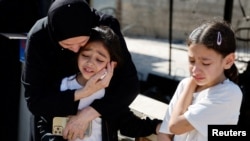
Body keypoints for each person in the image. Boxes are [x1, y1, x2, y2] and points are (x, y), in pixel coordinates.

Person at [21, 0, 141, 141]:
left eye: (83, 43)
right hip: (50, 126)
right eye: (67, 44)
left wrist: (87, 114)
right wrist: (83, 92)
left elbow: (129, 85)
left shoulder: (105, 26)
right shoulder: (39, 36)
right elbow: (35, 101)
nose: (76, 50)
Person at [38, 25, 162, 141]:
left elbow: (127, 123)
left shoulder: (110, 94)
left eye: (99, 59)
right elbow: (44, 122)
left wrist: (156, 127)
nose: (90, 63)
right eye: (85, 55)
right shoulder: (63, 85)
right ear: (77, 54)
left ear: (112, 65)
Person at [157, 18, 243, 141]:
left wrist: (191, 84)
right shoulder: (184, 84)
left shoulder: (229, 93)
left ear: (228, 61)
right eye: (192, 61)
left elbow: (175, 126)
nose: (195, 70)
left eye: (206, 63)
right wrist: (189, 84)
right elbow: (164, 134)